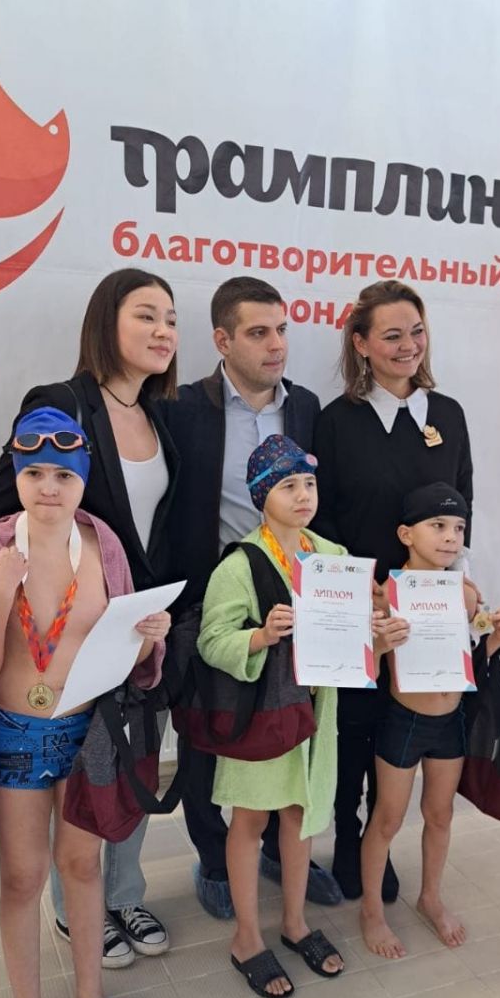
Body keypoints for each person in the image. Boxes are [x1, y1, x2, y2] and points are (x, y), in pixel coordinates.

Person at [0, 268, 180, 966]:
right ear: (105, 322)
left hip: (131, 628)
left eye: (170, 319)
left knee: (121, 775)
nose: (163, 331)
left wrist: (161, 620)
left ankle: (121, 895)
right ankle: (76, 913)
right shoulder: (62, 404)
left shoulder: (163, 415)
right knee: (56, 839)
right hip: (55, 653)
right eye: (146, 315)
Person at [0, 406, 170, 998]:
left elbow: (128, 664)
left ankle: (91, 997)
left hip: (85, 733)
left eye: (63, 474)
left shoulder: (104, 546)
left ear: (83, 478)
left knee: (82, 866)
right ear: (15, 475)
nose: (48, 486)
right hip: (13, 734)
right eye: (34, 472)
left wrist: (149, 637)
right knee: (22, 876)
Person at [162, 275, 342, 918]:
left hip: (293, 595)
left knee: (291, 731)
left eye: (282, 330)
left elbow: (314, 501)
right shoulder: (182, 407)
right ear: (222, 340)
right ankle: (215, 859)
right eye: (259, 332)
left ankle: (278, 852)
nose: (277, 345)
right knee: (211, 736)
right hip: (215, 596)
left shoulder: (307, 406)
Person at [313, 279, 474, 904]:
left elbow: (462, 503)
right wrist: (365, 589)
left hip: (429, 610)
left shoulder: (448, 415)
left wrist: (454, 584)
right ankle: (350, 844)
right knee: (355, 730)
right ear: (361, 344)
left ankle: (380, 839)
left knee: (406, 730)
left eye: (417, 331)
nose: (409, 345)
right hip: (361, 607)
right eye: (392, 335)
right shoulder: (336, 422)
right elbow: (323, 518)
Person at [197, 436, 346, 997]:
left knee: (299, 815)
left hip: (313, 712)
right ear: (261, 496)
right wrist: (259, 637)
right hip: (261, 715)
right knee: (250, 821)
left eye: (309, 483)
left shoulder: (330, 556)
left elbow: (349, 637)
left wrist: (378, 636)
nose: (303, 495)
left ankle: (295, 923)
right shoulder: (239, 564)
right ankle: (246, 937)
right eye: (288, 486)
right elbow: (212, 640)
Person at [359, 482, 500, 959]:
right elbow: (365, 667)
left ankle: (431, 895)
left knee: (440, 814)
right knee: (387, 819)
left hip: (451, 720)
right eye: (438, 525)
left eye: (459, 528)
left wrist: (495, 640)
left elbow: (472, 661)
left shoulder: (465, 595)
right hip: (404, 720)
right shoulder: (385, 593)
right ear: (407, 534)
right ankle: (371, 910)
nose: (451, 537)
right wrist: (381, 642)